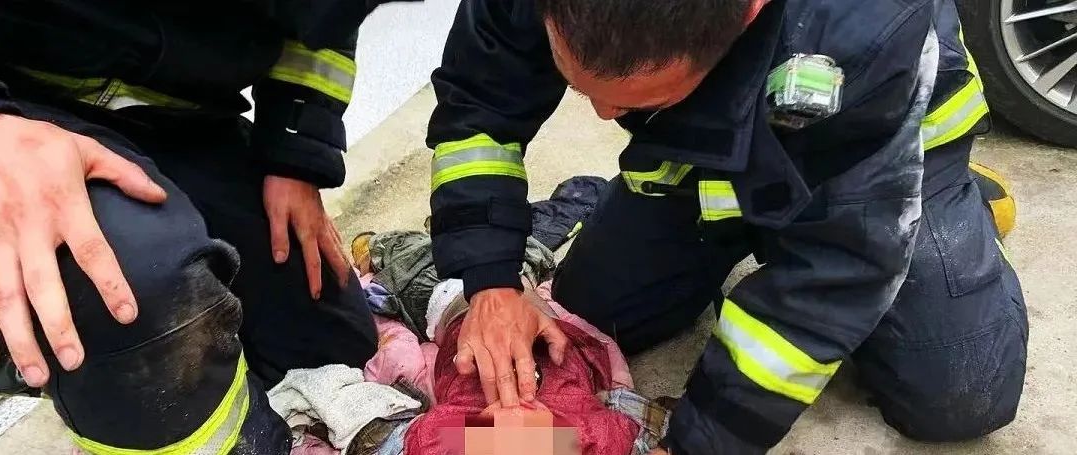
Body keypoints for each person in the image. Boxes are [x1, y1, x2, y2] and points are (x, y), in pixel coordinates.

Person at [424, 0, 1028, 453]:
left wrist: (696, 444)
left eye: (632, 101)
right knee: (592, 315)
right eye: (584, 88)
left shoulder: (861, 30)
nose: (605, 115)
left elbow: (832, 274)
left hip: (880, 160)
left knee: (956, 396)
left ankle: (950, 206)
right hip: (700, 158)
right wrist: (490, 280)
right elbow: (480, 111)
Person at [0, 1, 413, 453]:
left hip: (183, 115)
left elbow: (325, 28)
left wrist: (295, 154)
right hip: (27, 110)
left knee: (333, 337)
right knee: (140, 298)